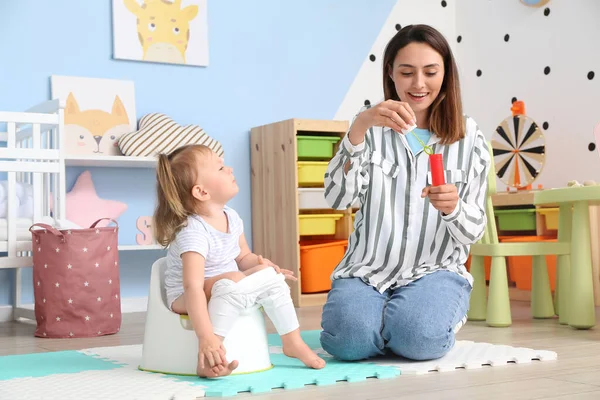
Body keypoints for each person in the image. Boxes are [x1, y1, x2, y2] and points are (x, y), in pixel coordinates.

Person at [320, 24, 491, 362]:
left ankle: (403, 320)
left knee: (420, 340)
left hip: (436, 269)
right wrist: (357, 130)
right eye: (407, 72)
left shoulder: (470, 138)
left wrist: (454, 207)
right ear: (391, 73)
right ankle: (383, 320)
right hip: (367, 269)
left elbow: (475, 231)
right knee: (347, 342)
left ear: (446, 73)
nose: (418, 84)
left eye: (430, 72)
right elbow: (338, 199)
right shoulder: (369, 128)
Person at [154, 144, 326, 378]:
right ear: (202, 192)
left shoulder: (231, 217)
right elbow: (192, 286)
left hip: (227, 287)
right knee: (232, 281)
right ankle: (210, 356)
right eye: (221, 167)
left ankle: (292, 342)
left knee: (273, 279)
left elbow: (243, 257)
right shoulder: (193, 232)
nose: (230, 169)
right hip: (185, 297)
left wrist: (262, 264)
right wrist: (206, 338)